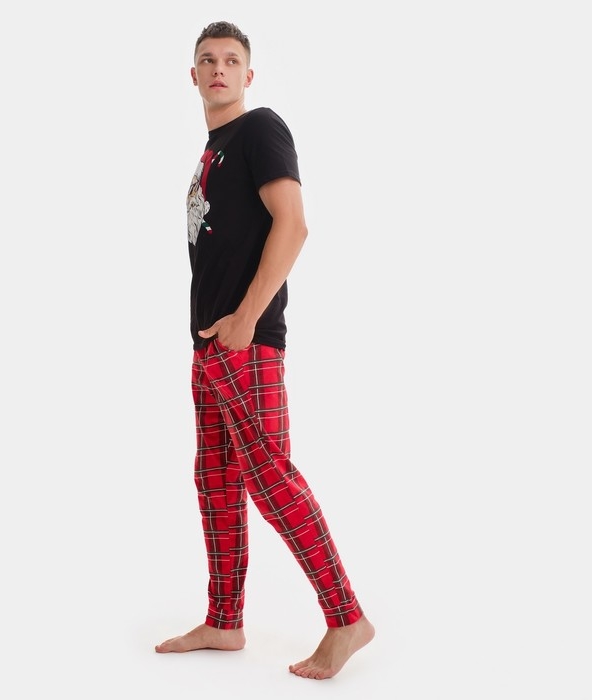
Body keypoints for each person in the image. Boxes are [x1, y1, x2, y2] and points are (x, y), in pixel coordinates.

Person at [154, 20, 375, 680]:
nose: (219, 68)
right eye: (207, 60)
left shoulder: (259, 130)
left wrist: (247, 318)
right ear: (193, 75)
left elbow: (294, 223)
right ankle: (224, 621)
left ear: (248, 76)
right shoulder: (213, 151)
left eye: (231, 60)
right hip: (210, 345)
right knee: (217, 480)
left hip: (245, 342)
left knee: (271, 477)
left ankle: (346, 618)